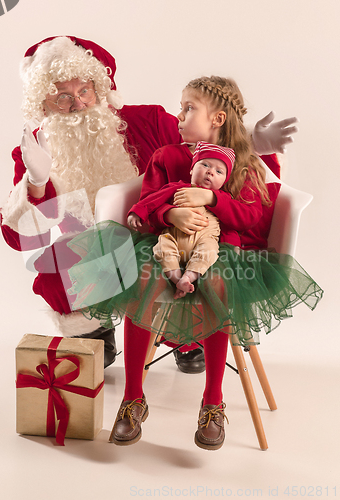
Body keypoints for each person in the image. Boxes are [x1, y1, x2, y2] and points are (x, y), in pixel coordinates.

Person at [0, 35, 299, 372]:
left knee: (177, 259)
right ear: (43, 104)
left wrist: (251, 143)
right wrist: (37, 182)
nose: (79, 104)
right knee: (54, 269)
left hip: (162, 232)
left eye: (84, 91)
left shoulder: (149, 121)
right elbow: (21, 239)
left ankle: (186, 336)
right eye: (63, 98)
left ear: (100, 88)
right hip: (97, 248)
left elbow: (207, 148)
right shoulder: (33, 150)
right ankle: (96, 330)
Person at [109, 75, 322, 450]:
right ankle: (133, 398)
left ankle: (212, 401)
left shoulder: (243, 165)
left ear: (218, 119)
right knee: (140, 281)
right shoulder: (167, 157)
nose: (179, 115)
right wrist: (169, 215)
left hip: (221, 250)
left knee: (219, 284)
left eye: (188, 107)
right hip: (166, 244)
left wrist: (211, 199)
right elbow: (147, 201)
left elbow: (252, 218)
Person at [128, 142, 237, 298]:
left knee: (210, 251)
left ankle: (188, 277)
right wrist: (137, 212)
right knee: (162, 248)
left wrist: (234, 246)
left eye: (219, 171)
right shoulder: (176, 187)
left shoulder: (221, 199)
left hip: (204, 240)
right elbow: (152, 200)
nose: (210, 172)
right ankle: (177, 278)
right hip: (173, 237)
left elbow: (229, 225)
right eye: (205, 164)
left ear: (224, 181)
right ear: (192, 169)